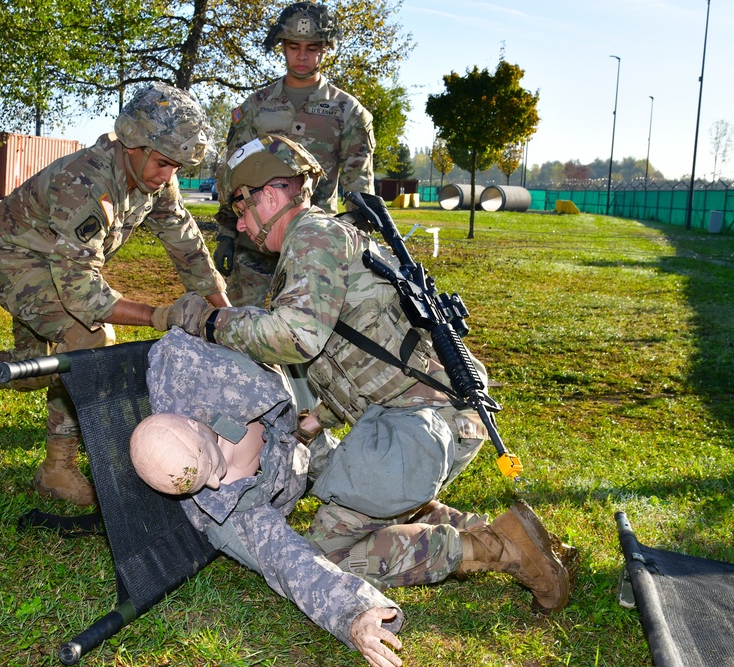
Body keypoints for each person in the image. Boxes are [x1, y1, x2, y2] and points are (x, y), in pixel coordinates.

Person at [155, 135, 574, 615]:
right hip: (439, 422)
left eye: (242, 210)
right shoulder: (330, 236)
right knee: (341, 479)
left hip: (419, 431)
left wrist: (209, 321)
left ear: (269, 194)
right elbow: (359, 355)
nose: (244, 226)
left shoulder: (311, 238)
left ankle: (499, 549)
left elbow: (296, 337)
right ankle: (518, 535)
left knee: (330, 551)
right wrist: (315, 422)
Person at [0, 82, 230, 507]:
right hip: (11, 259)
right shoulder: (84, 182)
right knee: (90, 340)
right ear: (132, 143)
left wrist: (225, 314)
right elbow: (84, 296)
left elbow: (188, 246)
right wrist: (163, 315)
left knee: (37, 374)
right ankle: (56, 469)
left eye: (177, 167)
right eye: (163, 163)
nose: (168, 177)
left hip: (54, 260)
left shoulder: (155, 178)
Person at [131, 329, 404, 667]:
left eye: (211, 468)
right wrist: (354, 614)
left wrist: (306, 427)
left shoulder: (184, 370)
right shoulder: (229, 516)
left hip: (300, 429)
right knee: (375, 506)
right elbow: (289, 563)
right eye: (202, 484)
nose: (215, 485)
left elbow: (212, 325)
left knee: (389, 489)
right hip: (295, 466)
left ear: (194, 423)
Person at [213, 1, 376, 308]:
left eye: (313, 47)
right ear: (282, 47)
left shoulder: (348, 112)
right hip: (254, 251)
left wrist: (348, 247)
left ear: (326, 49)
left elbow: (360, 193)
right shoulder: (255, 108)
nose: (302, 55)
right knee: (244, 337)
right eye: (294, 46)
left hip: (314, 249)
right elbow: (233, 175)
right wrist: (226, 235)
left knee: (306, 342)